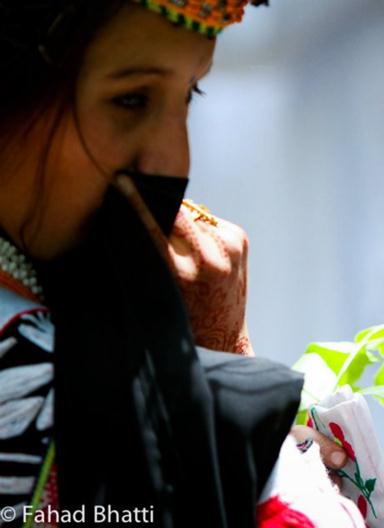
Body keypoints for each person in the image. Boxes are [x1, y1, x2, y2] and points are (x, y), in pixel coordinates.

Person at [0, 2, 362, 527]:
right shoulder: (54, 386)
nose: (174, 163)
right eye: (130, 99)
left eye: (190, 94)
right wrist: (222, 380)